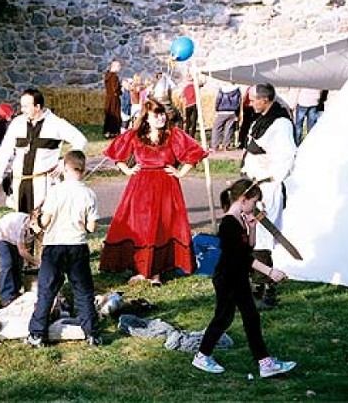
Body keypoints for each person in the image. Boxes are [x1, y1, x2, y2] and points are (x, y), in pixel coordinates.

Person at [192, 178, 297, 378]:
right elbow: (241, 257)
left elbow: (248, 247)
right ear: (242, 199)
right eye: (254, 202)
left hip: (237, 277)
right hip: (227, 278)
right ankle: (202, 356)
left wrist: (253, 228)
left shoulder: (240, 218)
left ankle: (265, 363)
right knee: (223, 318)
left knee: (251, 317)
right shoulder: (228, 224)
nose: (255, 206)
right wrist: (269, 271)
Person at [99, 99, 207, 286]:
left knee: (162, 227)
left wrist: (180, 172)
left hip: (166, 187)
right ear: (146, 118)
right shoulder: (136, 135)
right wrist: (126, 169)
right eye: (156, 115)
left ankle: (156, 272)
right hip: (140, 188)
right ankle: (142, 270)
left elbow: (195, 151)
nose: (160, 118)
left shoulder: (173, 134)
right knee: (142, 227)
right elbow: (115, 151)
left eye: (162, 114)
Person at [25, 150, 101, 347]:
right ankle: (92, 332)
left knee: (47, 291)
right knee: (83, 291)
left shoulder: (56, 191)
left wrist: (37, 224)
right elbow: (92, 227)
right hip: (78, 245)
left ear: (65, 168)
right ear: (84, 170)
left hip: (54, 247)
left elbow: (46, 219)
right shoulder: (89, 194)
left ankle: (37, 333)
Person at [0, 88, 87, 213]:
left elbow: (80, 140)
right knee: (21, 224)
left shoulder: (55, 123)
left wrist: (63, 164)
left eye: (26, 106)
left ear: (37, 106)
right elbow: (5, 150)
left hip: (43, 184)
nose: (22, 110)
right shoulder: (17, 123)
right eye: (21, 106)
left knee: (43, 223)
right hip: (20, 183)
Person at [242, 83, 296, 309]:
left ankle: (266, 289)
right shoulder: (261, 119)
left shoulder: (281, 123)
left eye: (253, 99)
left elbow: (287, 156)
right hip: (255, 184)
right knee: (251, 233)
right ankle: (256, 282)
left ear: (265, 99)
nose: (250, 103)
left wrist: (269, 180)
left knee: (263, 235)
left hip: (267, 187)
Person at [0, 210, 42, 308]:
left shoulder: (37, 226)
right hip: (4, 236)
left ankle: (15, 292)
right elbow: (22, 252)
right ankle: (6, 297)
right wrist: (36, 262)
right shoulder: (22, 228)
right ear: (32, 222)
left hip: (15, 239)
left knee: (18, 265)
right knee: (7, 264)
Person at [211, 83, 241, 151]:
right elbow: (239, 102)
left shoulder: (222, 89)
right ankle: (226, 147)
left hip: (222, 111)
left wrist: (217, 108)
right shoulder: (237, 90)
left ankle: (214, 147)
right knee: (229, 129)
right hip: (232, 111)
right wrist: (237, 113)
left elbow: (218, 100)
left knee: (217, 128)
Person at [103, 59, 122, 138]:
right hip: (114, 98)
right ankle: (113, 132)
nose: (120, 68)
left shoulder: (107, 75)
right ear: (114, 67)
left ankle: (107, 132)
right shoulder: (114, 76)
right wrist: (121, 88)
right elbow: (115, 89)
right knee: (114, 114)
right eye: (119, 66)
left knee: (109, 115)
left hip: (108, 98)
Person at [238, 85, 257, 150]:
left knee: (245, 126)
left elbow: (244, 99)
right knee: (251, 125)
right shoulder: (255, 89)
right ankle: (246, 142)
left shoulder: (248, 89)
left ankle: (242, 142)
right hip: (252, 108)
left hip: (247, 108)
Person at [180, 73, 199, 138]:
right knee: (194, 121)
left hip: (187, 106)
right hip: (194, 104)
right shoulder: (195, 86)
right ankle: (192, 135)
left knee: (188, 122)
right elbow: (203, 83)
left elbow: (182, 97)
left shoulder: (185, 88)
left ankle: (186, 134)